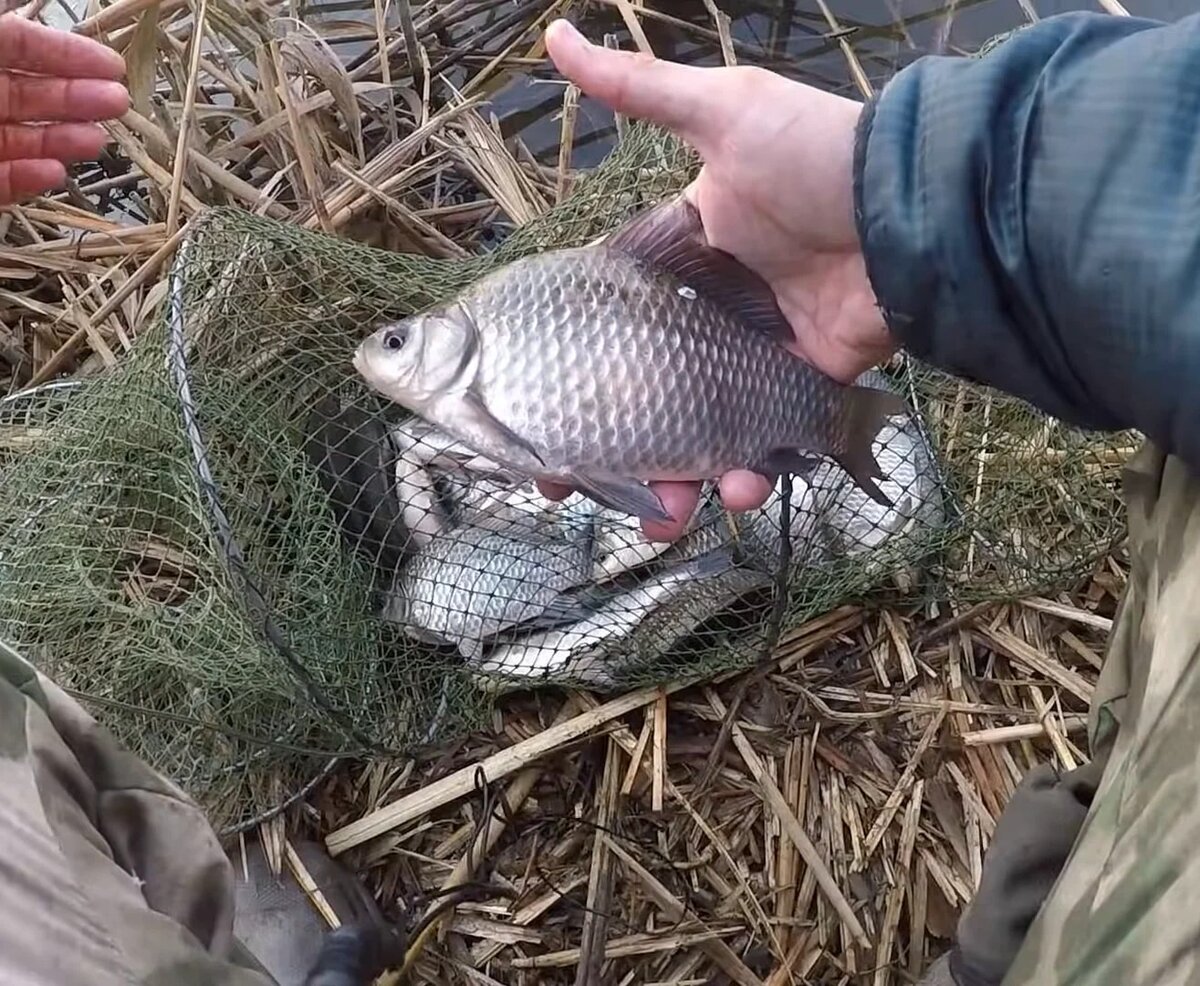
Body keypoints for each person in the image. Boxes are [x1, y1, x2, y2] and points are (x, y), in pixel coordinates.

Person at [0, 6, 1195, 984]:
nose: (398, 362)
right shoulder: (494, 351)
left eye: (404, 344)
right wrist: (912, 191)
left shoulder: (499, 341)